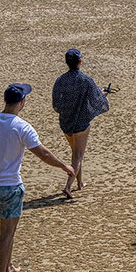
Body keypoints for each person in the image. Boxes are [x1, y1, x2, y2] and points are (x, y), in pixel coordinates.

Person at [0, 82, 75, 272]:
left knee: (8, 228)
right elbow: (42, 153)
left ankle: (9, 267)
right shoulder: (21, 126)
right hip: (10, 187)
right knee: (7, 232)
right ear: (22, 102)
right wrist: (63, 166)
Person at [49, 47, 112, 195]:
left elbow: (56, 104)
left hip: (66, 122)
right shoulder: (85, 80)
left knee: (76, 153)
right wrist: (104, 93)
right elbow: (97, 100)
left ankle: (80, 183)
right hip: (81, 124)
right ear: (80, 62)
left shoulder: (60, 80)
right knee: (78, 156)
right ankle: (68, 186)